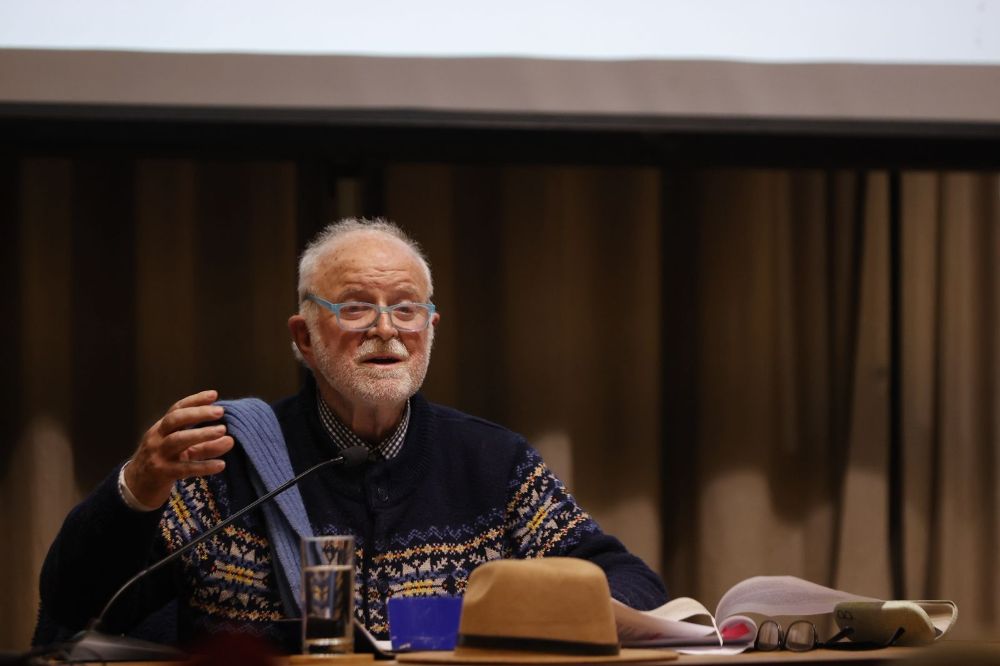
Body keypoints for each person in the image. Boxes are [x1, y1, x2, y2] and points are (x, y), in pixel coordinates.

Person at [36, 218, 668, 652]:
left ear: (431, 327)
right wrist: (137, 490)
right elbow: (77, 602)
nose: (387, 330)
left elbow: (630, 584)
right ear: (304, 338)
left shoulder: (493, 462)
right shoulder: (222, 459)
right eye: (357, 308)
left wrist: (530, 610)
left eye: (407, 308)